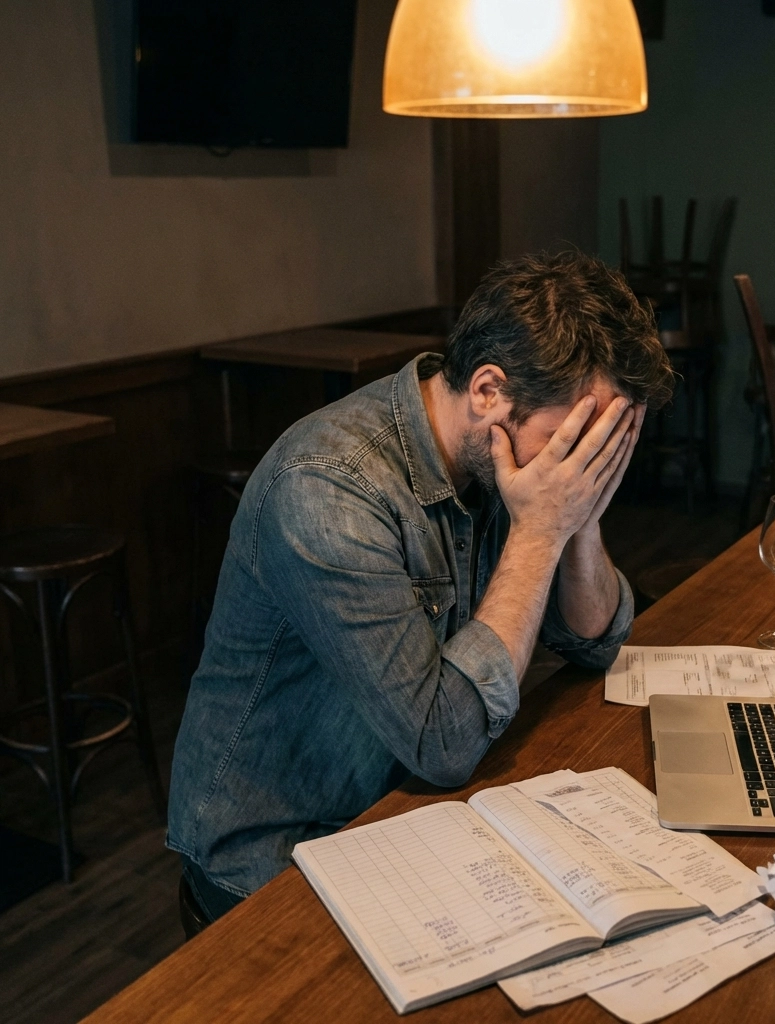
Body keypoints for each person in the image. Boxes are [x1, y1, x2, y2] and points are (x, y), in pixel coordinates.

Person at [167, 251, 674, 921]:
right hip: (273, 862)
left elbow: (595, 642)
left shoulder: (506, 458)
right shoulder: (328, 488)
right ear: (489, 392)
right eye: (570, 441)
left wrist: (579, 515)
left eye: (598, 447)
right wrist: (541, 531)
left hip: (398, 816)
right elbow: (444, 742)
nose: (577, 464)